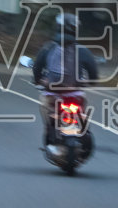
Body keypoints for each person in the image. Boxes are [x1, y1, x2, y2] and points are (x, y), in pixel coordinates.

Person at [31, 12, 98, 148]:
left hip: (52, 95)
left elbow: (37, 68)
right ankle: (85, 131)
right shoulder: (82, 50)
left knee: (45, 109)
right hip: (76, 95)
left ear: (57, 27)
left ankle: (49, 132)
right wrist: (87, 81)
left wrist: (38, 80)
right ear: (76, 29)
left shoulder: (48, 47)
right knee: (83, 112)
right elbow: (93, 75)